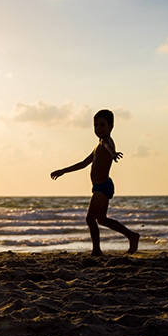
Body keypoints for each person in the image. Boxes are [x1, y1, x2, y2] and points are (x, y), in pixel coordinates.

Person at [50, 109, 139, 256]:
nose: (98, 129)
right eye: (96, 126)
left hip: (103, 186)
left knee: (90, 219)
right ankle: (132, 236)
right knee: (101, 219)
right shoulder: (96, 146)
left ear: (111, 126)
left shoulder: (106, 141)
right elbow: (83, 163)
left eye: (102, 125)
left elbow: (109, 147)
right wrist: (63, 171)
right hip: (99, 186)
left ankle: (96, 250)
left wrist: (113, 153)